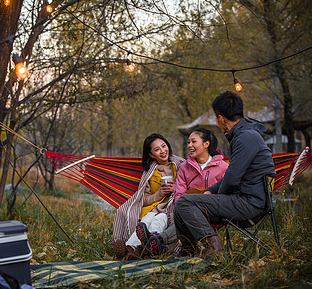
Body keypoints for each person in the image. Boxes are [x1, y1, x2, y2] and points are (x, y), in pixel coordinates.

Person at [174, 91, 275, 256]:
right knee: (183, 203)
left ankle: (214, 247)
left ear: (221, 118)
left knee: (184, 203)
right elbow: (231, 175)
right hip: (250, 199)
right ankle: (188, 250)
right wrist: (211, 192)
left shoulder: (244, 138)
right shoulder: (246, 134)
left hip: (250, 205)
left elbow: (232, 179)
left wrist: (213, 198)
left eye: (215, 116)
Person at [138, 127, 228, 257]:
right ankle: (153, 244)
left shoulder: (223, 167)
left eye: (193, 142)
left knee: (185, 216)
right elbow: (179, 195)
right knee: (182, 214)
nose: (189, 145)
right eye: (188, 142)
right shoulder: (185, 167)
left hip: (214, 210)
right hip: (190, 210)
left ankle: (156, 241)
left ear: (206, 144)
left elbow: (228, 193)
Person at [113, 133, 185, 260]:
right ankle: (130, 249)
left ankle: (136, 249)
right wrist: (159, 194)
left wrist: (176, 189)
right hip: (152, 209)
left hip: (169, 210)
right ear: (151, 154)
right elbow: (143, 200)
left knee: (157, 222)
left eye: (164, 146)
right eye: (157, 149)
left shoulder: (181, 165)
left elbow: (189, 188)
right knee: (145, 222)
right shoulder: (150, 171)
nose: (163, 151)